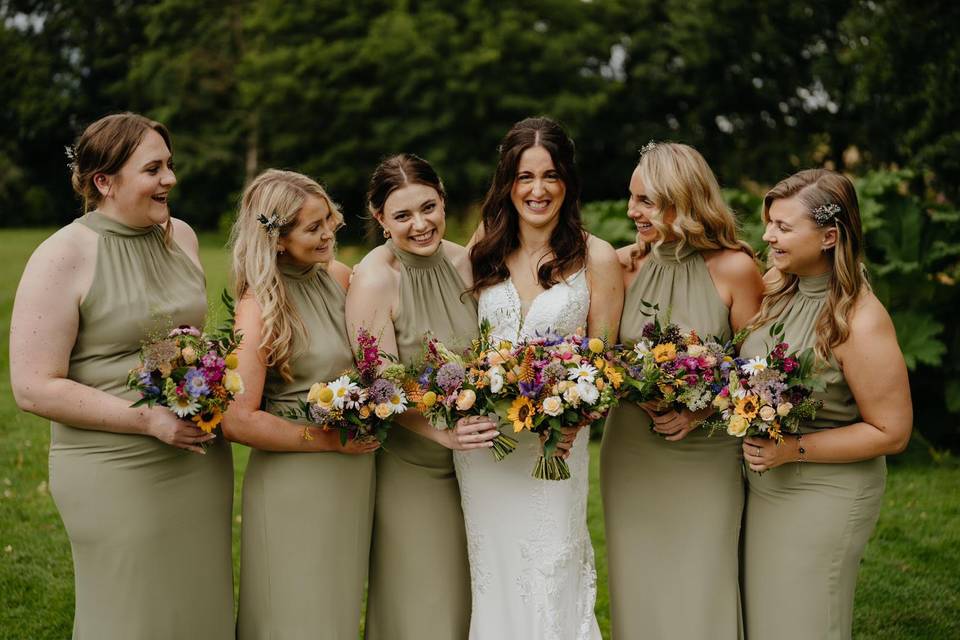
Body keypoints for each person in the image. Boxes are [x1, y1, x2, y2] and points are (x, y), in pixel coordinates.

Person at [9, 112, 234, 639]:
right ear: (103, 182)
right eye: (153, 169)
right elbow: (32, 386)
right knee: (130, 614)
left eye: (170, 166)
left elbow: (186, 339)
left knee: (198, 606)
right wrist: (147, 421)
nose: (170, 179)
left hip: (197, 461)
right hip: (112, 465)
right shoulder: (62, 254)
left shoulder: (179, 236)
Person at [458, 116, 623, 639]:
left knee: (552, 569)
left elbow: (605, 362)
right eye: (525, 176)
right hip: (488, 450)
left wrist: (582, 408)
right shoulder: (481, 248)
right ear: (507, 182)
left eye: (550, 175)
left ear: (567, 181)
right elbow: (463, 348)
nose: (537, 189)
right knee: (496, 577)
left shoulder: (595, 256)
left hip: (556, 446)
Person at [600, 141, 764, 639]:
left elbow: (757, 372)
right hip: (632, 450)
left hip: (707, 454)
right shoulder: (624, 267)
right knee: (638, 582)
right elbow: (603, 354)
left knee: (702, 580)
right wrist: (631, 383)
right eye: (633, 199)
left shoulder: (734, 268)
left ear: (684, 200)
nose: (632, 211)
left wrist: (698, 413)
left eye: (645, 200)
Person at [740, 169, 911, 640]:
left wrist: (791, 449)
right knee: (768, 623)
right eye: (770, 222)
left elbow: (891, 432)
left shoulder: (860, 319)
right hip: (767, 489)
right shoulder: (777, 287)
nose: (768, 236)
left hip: (826, 494)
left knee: (806, 623)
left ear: (830, 236)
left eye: (783, 227)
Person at [346, 153, 499, 639]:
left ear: (444, 200)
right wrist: (440, 432)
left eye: (428, 208)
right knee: (426, 599)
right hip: (414, 464)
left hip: (480, 458)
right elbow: (382, 391)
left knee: (479, 597)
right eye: (403, 216)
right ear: (379, 219)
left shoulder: (467, 262)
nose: (420, 225)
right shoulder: (374, 279)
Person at [223, 169, 378, 639]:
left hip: (352, 476)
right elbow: (237, 419)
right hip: (298, 479)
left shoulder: (338, 277)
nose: (329, 233)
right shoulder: (260, 308)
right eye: (313, 228)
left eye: (329, 219)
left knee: (334, 611)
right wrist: (328, 441)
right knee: (293, 612)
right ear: (276, 238)